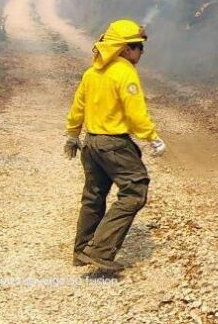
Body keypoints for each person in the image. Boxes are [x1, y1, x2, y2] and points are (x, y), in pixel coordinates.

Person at [63, 19, 166, 272]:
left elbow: (78, 106)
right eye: (139, 47)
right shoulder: (125, 72)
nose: (142, 53)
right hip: (114, 145)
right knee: (135, 190)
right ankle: (99, 250)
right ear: (126, 49)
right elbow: (135, 112)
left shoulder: (92, 73)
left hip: (91, 144)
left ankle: (81, 251)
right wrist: (152, 137)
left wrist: (72, 135)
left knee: (93, 197)